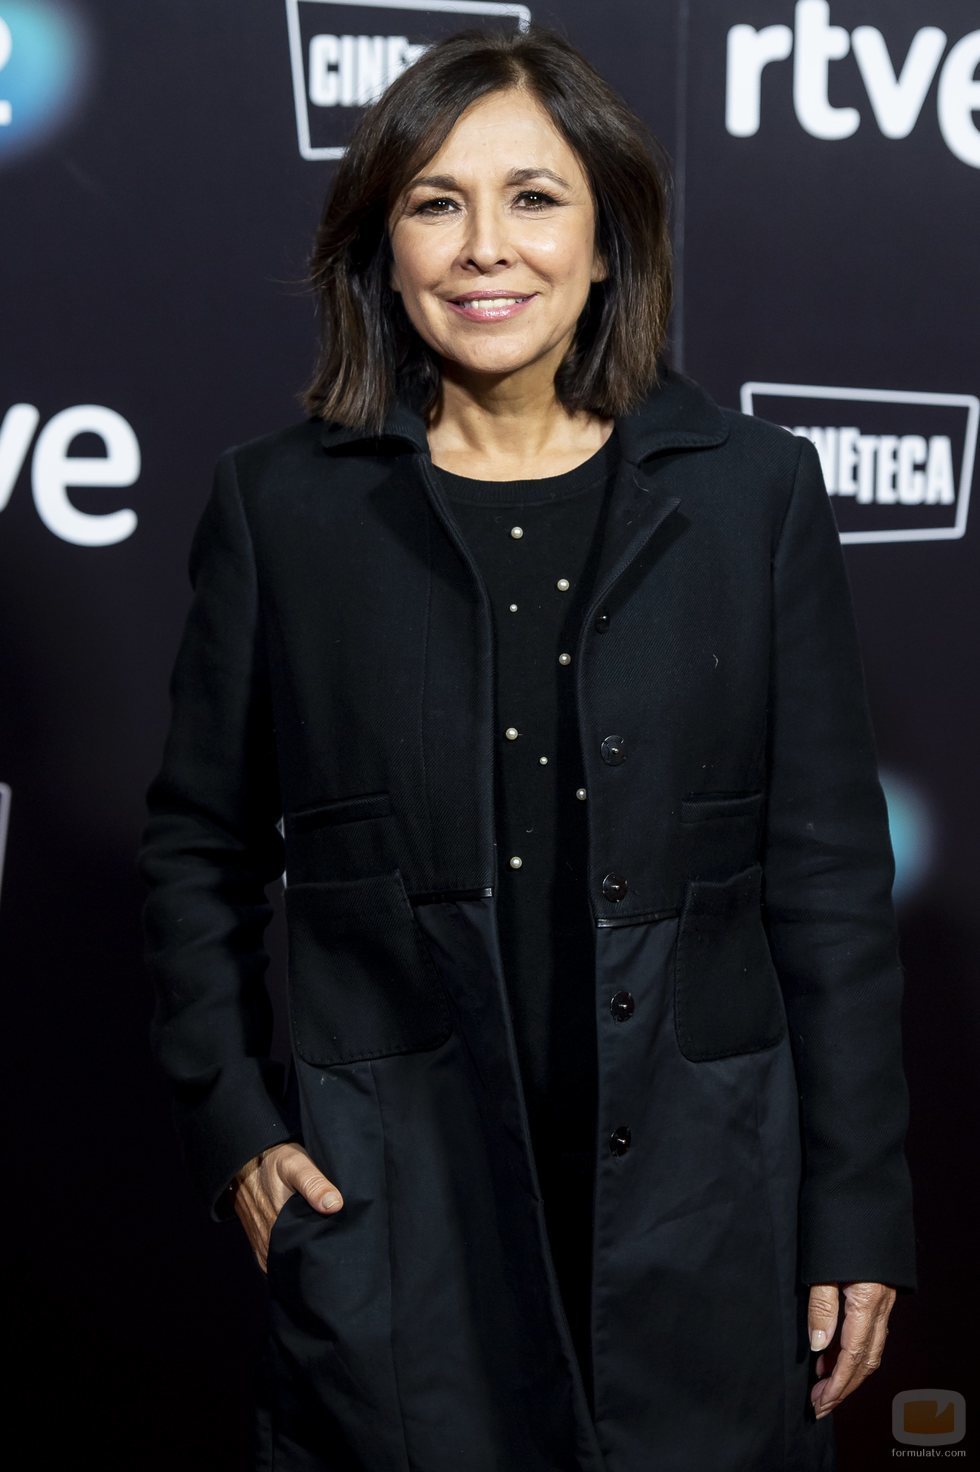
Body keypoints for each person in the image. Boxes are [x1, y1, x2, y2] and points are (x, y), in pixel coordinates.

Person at [137, 22, 917, 1472]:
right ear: (382, 247)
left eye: (534, 198)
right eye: (436, 203)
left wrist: (858, 1208)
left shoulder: (753, 494)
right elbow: (196, 851)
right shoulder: (280, 509)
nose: (485, 248)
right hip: (397, 1215)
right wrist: (236, 1125)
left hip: (705, 1209)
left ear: (608, 241)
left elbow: (828, 882)